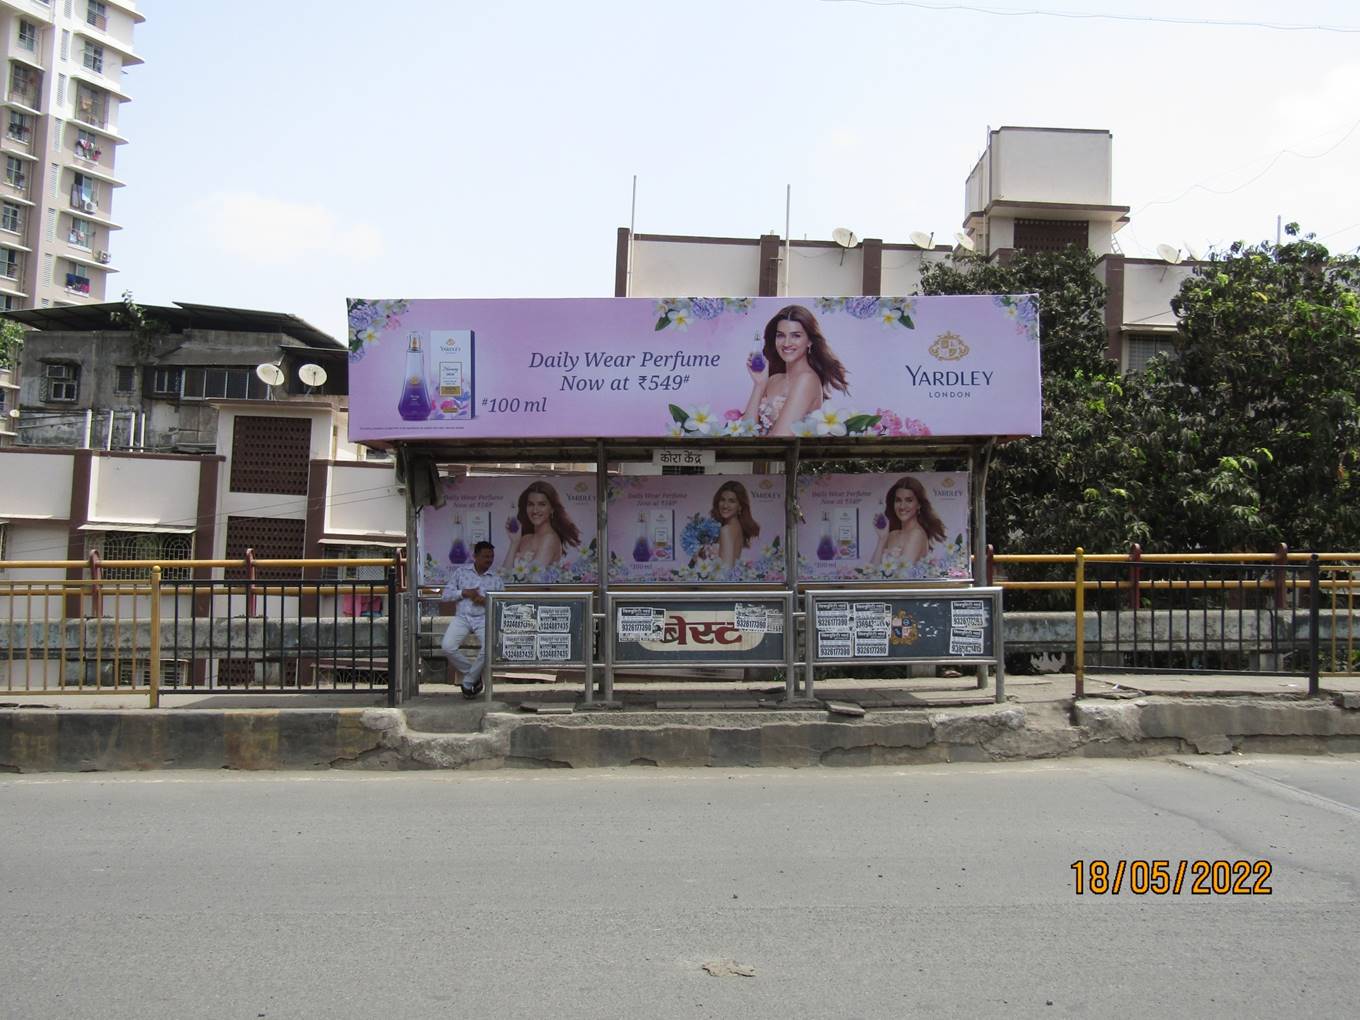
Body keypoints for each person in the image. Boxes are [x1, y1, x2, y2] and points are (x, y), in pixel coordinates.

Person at [741, 304, 850, 436]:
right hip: (762, 455)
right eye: (780, 335)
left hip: (788, 456)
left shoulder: (807, 379)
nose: (786, 343)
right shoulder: (773, 379)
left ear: (810, 341)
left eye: (796, 336)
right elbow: (745, 433)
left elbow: (779, 440)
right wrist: (759, 385)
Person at [439, 540, 504, 698]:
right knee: (447, 646)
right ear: (475, 556)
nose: (489, 560)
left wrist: (487, 601)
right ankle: (473, 674)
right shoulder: (461, 573)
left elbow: (503, 604)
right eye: (485, 556)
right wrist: (464, 593)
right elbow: (445, 595)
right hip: (463, 617)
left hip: (484, 618)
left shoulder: (496, 579)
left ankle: (468, 681)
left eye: (491, 557)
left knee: (489, 648)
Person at [502, 480, 581, 570]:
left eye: (542, 504)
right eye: (531, 504)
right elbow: (504, 575)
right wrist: (514, 542)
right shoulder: (524, 538)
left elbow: (532, 579)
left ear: (552, 509)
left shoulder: (550, 539)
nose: (535, 510)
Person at [870, 476, 946, 566]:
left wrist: (887, 556)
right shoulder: (892, 534)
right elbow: (872, 572)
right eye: (898, 500)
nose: (902, 506)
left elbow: (902, 575)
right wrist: (882, 539)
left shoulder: (917, 534)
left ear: (919, 504)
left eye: (909, 500)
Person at [711, 480, 760, 568]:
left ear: (740, 506)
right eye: (722, 500)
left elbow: (726, 570)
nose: (725, 505)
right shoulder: (738, 527)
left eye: (731, 501)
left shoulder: (726, 530)